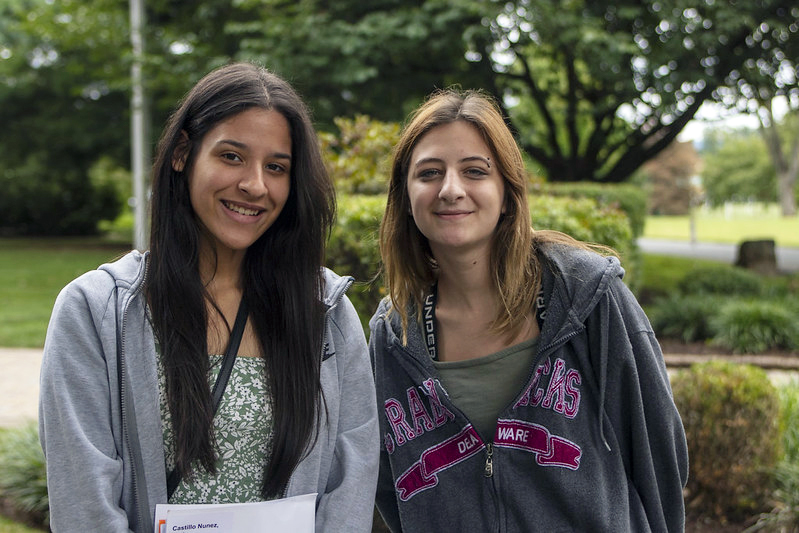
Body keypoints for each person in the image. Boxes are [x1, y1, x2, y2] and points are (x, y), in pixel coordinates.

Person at [39, 62, 379, 533]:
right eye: (232, 156)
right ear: (183, 153)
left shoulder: (328, 313)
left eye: (276, 167)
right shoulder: (96, 312)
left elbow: (352, 479)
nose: (255, 184)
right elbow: (84, 507)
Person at [369, 89, 688, 532]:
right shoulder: (393, 334)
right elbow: (391, 486)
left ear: (507, 192)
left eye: (475, 171)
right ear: (405, 196)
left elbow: (657, 456)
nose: (451, 189)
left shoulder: (586, 297)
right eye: (429, 173)